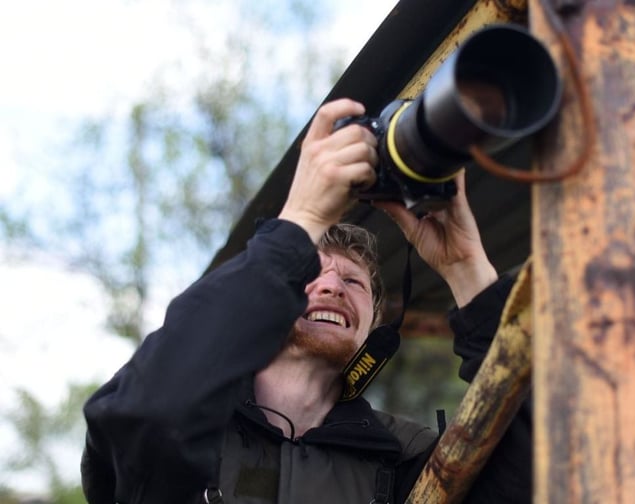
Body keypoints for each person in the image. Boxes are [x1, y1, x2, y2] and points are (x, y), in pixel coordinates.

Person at [81, 98, 531, 503]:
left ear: (374, 326)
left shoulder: (405, 458)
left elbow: (546, 462)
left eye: (354, 283)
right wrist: (301, 221)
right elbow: (145, 414)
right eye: (311, 273)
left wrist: (467, 270)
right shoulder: (195, 425)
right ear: (267, 299)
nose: (333, 287)